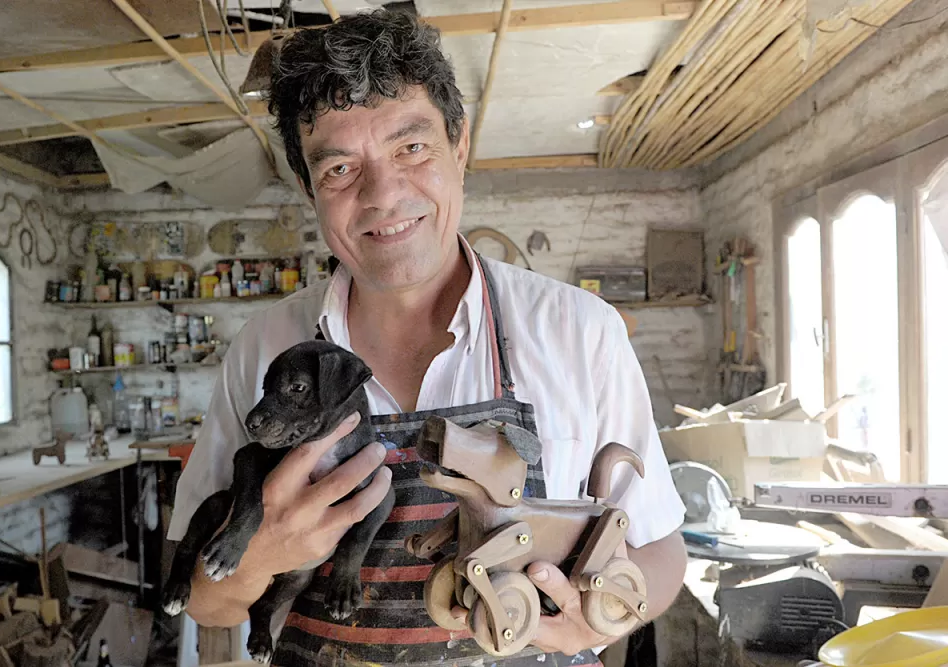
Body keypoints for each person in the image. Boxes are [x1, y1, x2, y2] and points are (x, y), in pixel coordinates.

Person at [168, 9, 688, 665]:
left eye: (411, 148)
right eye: (339, 169)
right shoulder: (265, 348)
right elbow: (206, 604)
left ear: (459, 146)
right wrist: (256, 556)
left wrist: (592, 626)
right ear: (308, 187)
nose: (383, 195)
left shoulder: (580, 332)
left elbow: (660, 546)